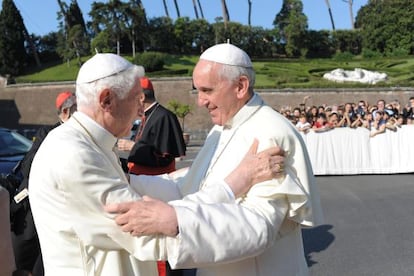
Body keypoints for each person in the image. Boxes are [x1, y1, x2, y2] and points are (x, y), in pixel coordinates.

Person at [28, 53, 285, 276]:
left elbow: (137, 186)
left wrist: (189, 179)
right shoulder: (74, 154)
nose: (142, 112)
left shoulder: (85, 143)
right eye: (136, 100)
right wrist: (237, 184)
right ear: (106, 100)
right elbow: (151, 231)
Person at [107, 43, 324, 276]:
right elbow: (187, 189)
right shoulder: (220, 130)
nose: (200, 101)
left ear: (240, 86)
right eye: (198, 90)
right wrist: (129, 181)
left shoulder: (271, 133)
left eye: (207, 90)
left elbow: (260, 225)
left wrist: (176, 220)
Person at [117, 76, 187, 276]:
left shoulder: (163, 116)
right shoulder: (147, 116)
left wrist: (132, 147)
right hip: (143, 186)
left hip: (158, 189)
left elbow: (164, 157)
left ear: (140, 98)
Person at [10, 91, 76, 276]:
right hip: (33, 206)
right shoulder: (48, 133)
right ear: (65, 112)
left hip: (62, 208)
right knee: (25, 255)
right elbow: (29, 165)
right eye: (76, 109)